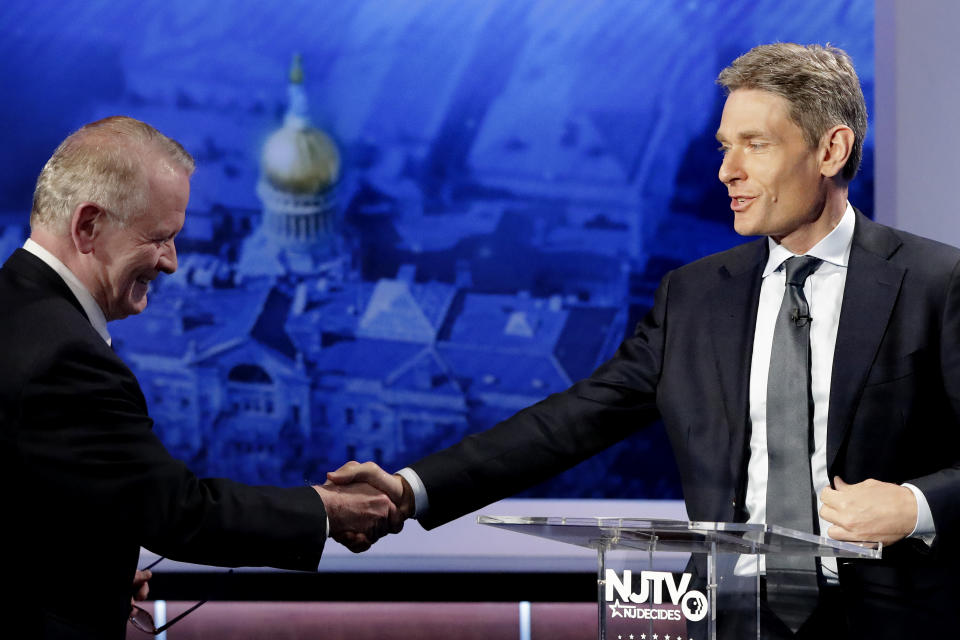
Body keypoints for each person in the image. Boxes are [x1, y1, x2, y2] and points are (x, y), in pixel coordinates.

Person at [331, 43, 960, 638]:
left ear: (831, 150)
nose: (726, 171)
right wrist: (412, 489)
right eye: (723, 147)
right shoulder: (694, 297)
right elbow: (569, 423)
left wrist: (916, 504)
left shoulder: (935, 283)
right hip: (724, 619)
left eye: (754, 145)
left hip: (894, 617)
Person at [0, 116, 400, 639]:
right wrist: (322, 512)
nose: (171, 263)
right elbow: (177, 512)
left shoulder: (14, 306)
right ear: (88, 226)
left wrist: (95, 570)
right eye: (159, 238)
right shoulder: (65, 353)